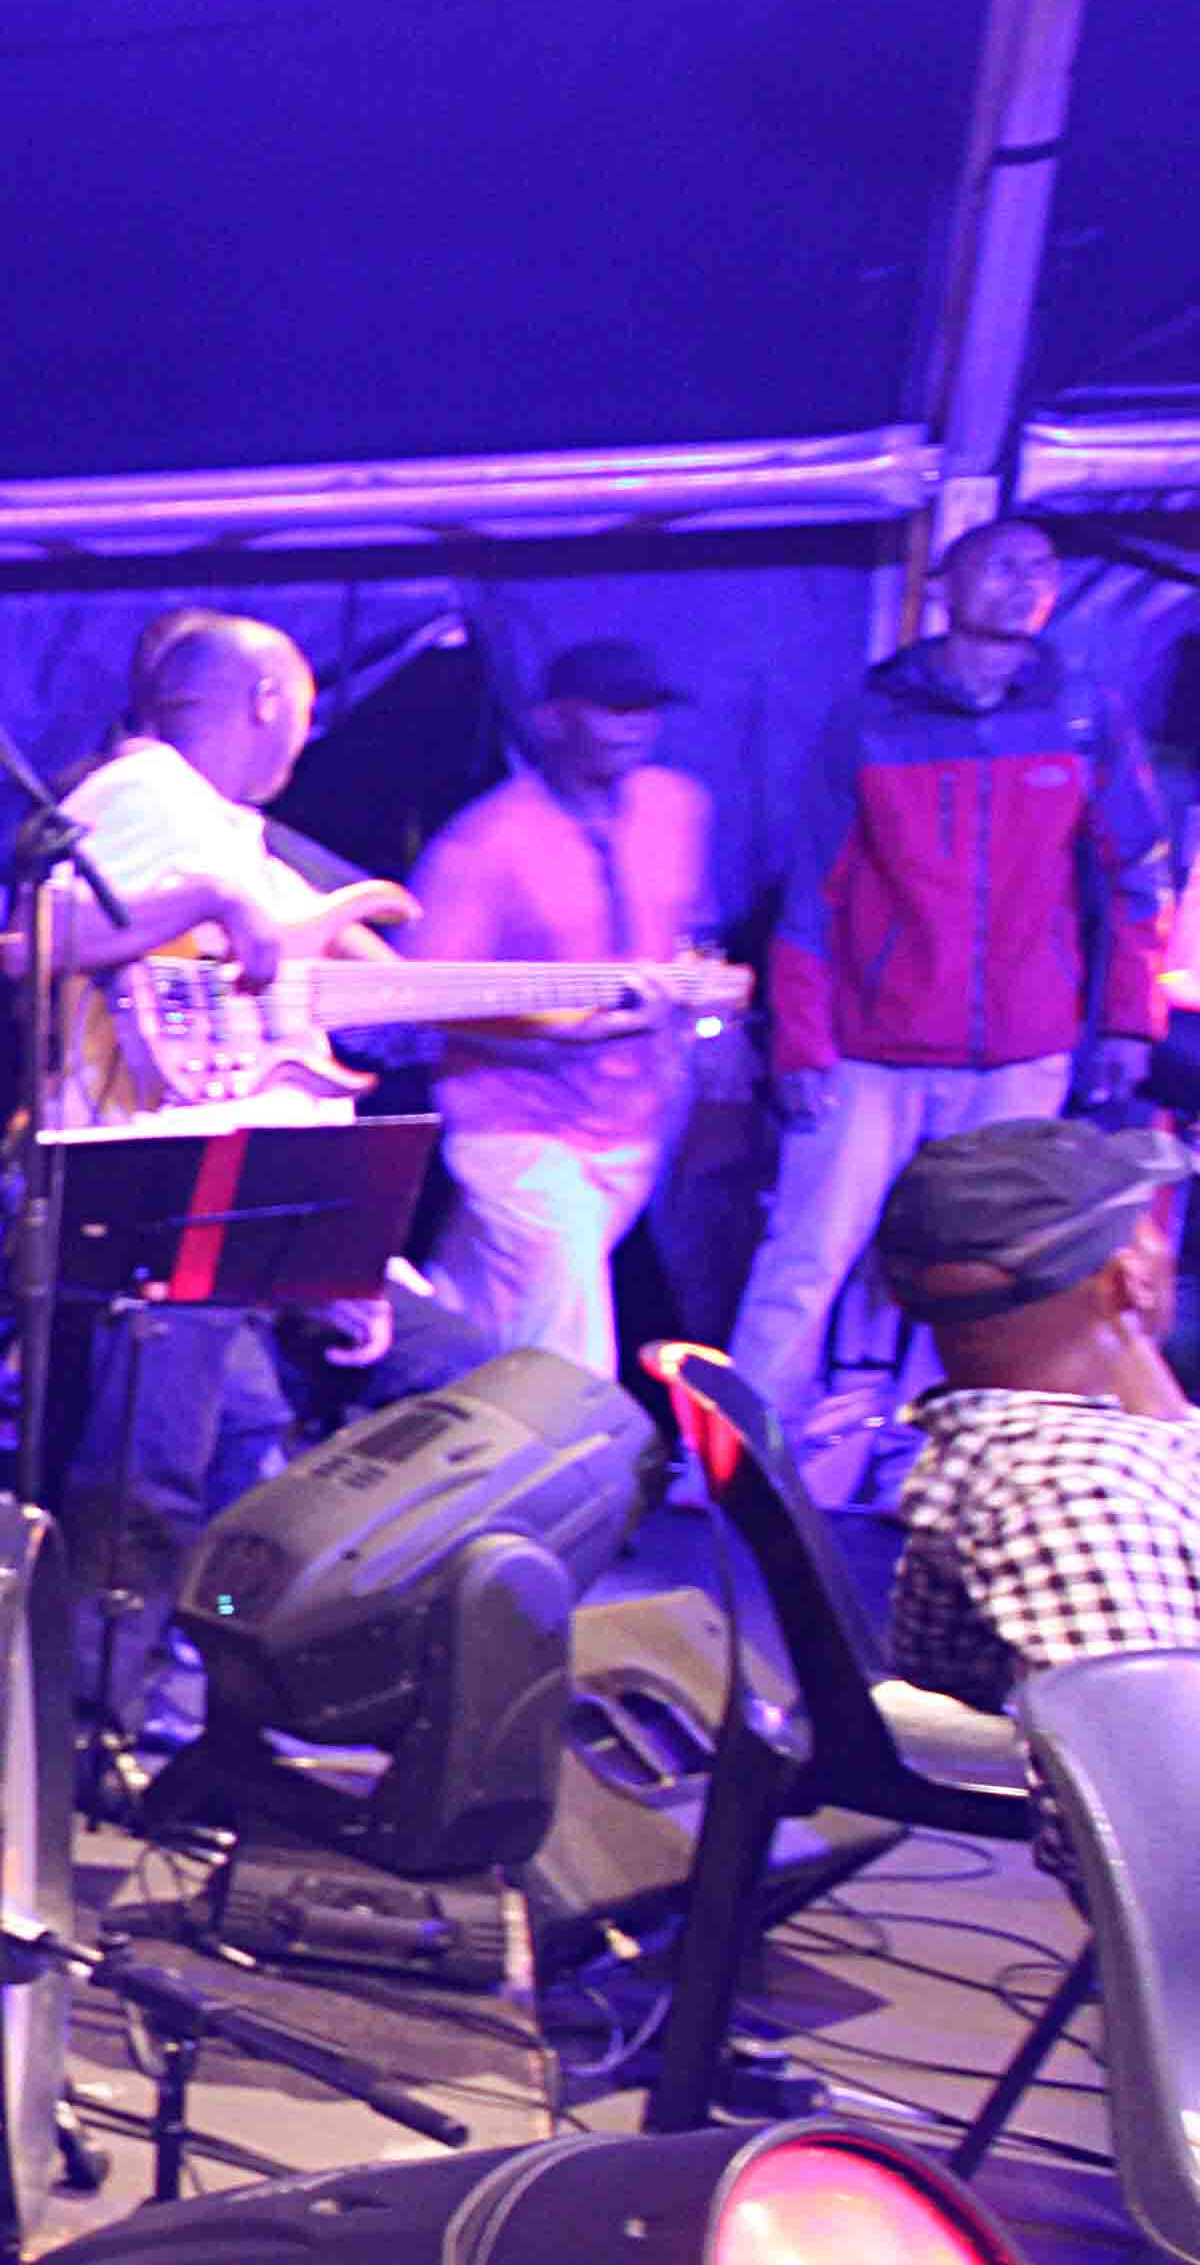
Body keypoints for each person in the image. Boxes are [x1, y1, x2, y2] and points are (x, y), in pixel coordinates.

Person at [730, 518, 1174, 1501]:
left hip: (1022, 1048)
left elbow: (1135, 876)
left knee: (994, 1270)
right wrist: (800, 1040)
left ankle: (945, 1468)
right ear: (948, 583)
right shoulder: (872, 715)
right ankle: (734, 1461)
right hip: (871, 1045)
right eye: (1002, 565)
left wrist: (1128, 1022)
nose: (1025, 583)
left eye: (1041, 569)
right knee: (809, 1254)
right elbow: (812, 890)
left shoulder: (1082, 713)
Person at [28, 613, 421, 1575]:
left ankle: (196, 1656)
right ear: (268, 701)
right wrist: (210, 894)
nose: (305, 739)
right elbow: (37, 940)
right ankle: (105, 1669)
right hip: (156, 1206)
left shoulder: (216, 824)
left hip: (219, 1210)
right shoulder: (146, 793)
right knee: (148, 1491)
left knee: (240, 1455)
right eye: (307, 714)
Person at [399, 638, 722, 1378]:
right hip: (517, 1126)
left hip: (636, 1117)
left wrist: (698, 1031)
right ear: (552, 719)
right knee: (570, 1352)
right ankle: (574, 1450)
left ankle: (396, 1403)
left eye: (647, 708)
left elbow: (695, 936)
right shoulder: (484, 844)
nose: (636, 725)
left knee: (477, 1319)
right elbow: (419, 999)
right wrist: (554, 1040)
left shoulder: (677, 808)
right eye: (614, 709)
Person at [871, 1118, 1200, 1715]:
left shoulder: (1067, 1447)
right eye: (1146, 1222)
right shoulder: (1077, 1497)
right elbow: (1144, 1749)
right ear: (1131, 1281)